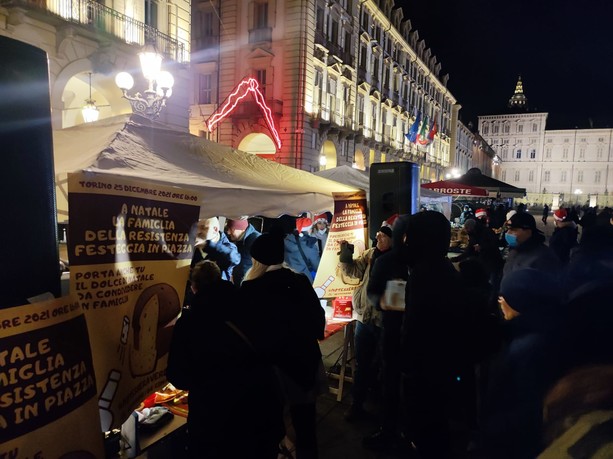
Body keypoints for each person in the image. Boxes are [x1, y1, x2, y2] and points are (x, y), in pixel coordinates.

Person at [166, 260, 284, 458]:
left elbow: (179, 377)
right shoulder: (248, 305)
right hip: (261, 408)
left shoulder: (190, 323)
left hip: (214, 418)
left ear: (194, 287)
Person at [236, 232, 326, 459]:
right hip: (303, 365)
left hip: (270, 372)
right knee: (306, 426)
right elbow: (318, 321)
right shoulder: (299, 281)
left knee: (272, 428)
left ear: (258, 259)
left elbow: (247, 335)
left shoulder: (250, 288)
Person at [399, 211, 476, 459]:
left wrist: (407, 363)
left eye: (410, 236)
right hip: (443, 367)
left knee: (429, 431)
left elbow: (416, 326)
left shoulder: (425, 274)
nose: (406, 242)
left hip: (429, 370)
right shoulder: (441, 269)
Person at [480, 268, 565, 459]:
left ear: (521, 300)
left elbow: (513, 409)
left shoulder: (526, 348)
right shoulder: (552, 332)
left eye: (504, 297)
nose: (500, 302)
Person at [361, 215, 410, 451]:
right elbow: (380, 298)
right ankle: (390, 429)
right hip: (392, 332)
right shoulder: (387, 261)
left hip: (410, 337)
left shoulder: (416, 262)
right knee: (388, 382)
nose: (379, 239)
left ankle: (403, 431)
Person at [338, 224, 393, 422]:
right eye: (378, 233)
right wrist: (345, 256)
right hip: (364, 318)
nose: (378, 237)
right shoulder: (370, 254)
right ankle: (357, 404)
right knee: (362, 364)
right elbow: (353, 272)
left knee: (385, 366)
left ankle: (384, 410)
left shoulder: (400, 260)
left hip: (384, 322)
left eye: (384, 235)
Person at [185, 217, 240, 305]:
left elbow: (234, 259)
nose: (198, 231)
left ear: (215, 229)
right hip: (194, 301)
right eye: (197, 227)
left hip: (216, 302)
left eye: (203, 227)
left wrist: (206, 245)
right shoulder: (192, 245)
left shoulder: (227, 246)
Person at [502, 211, 561, 280]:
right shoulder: (514, 250)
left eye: (513, 230)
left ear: (528, 231)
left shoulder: (543, 257)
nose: (508, 233)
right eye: (508, 229)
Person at [225, 217, 261, 286]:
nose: (228, 232)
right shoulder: (239, 240)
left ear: (241, 229)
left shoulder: (256, 240)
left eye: (231, 229)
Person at [284, 217, 321, 281]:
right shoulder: (308, 245)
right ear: (308, 229)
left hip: (288, 278)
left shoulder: (286, 241)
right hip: (305, 279)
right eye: (311, 228)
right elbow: (318, 267)